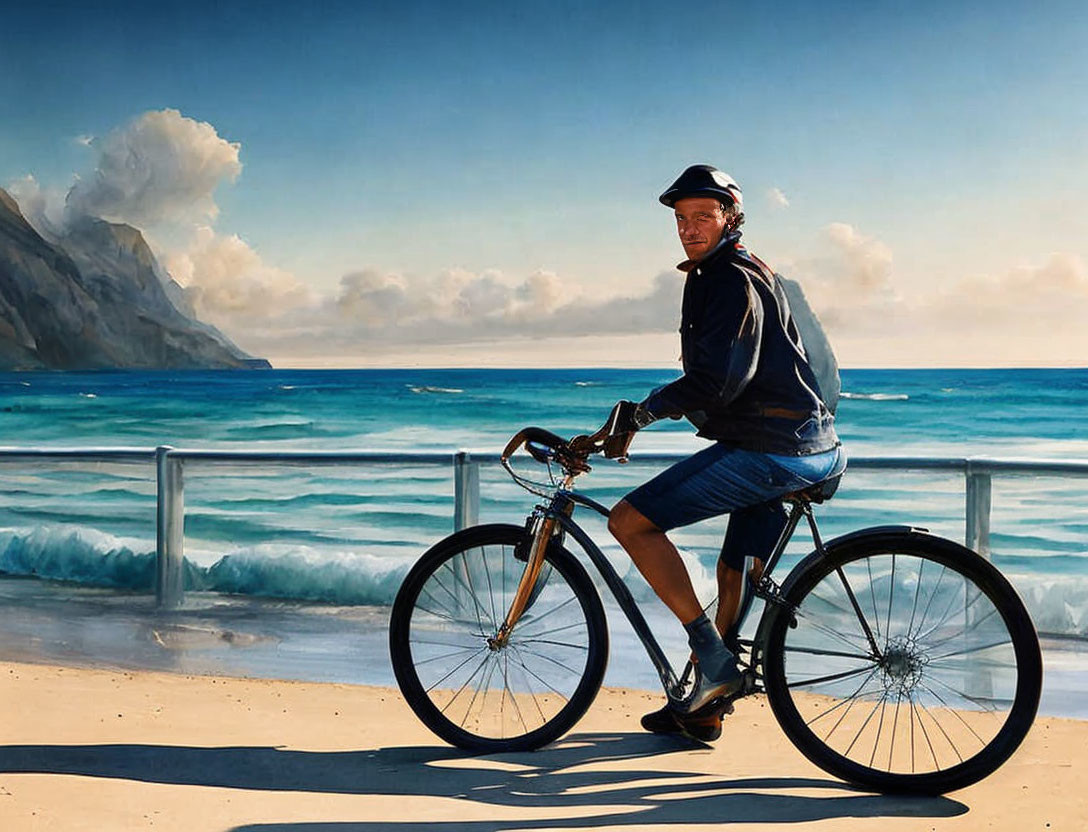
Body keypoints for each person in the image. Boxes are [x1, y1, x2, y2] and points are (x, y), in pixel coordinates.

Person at [597, 164, 844, 741]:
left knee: (630, 522)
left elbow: (718, 381)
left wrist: (641, 413)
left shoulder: (726, 277)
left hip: (773, 449)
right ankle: (706, 705)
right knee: (732, 568)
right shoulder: (755, 269)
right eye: (681, 219)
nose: (688, 228)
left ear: (730, 217)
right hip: (812, 442)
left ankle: (711, 658)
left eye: (702, 216)